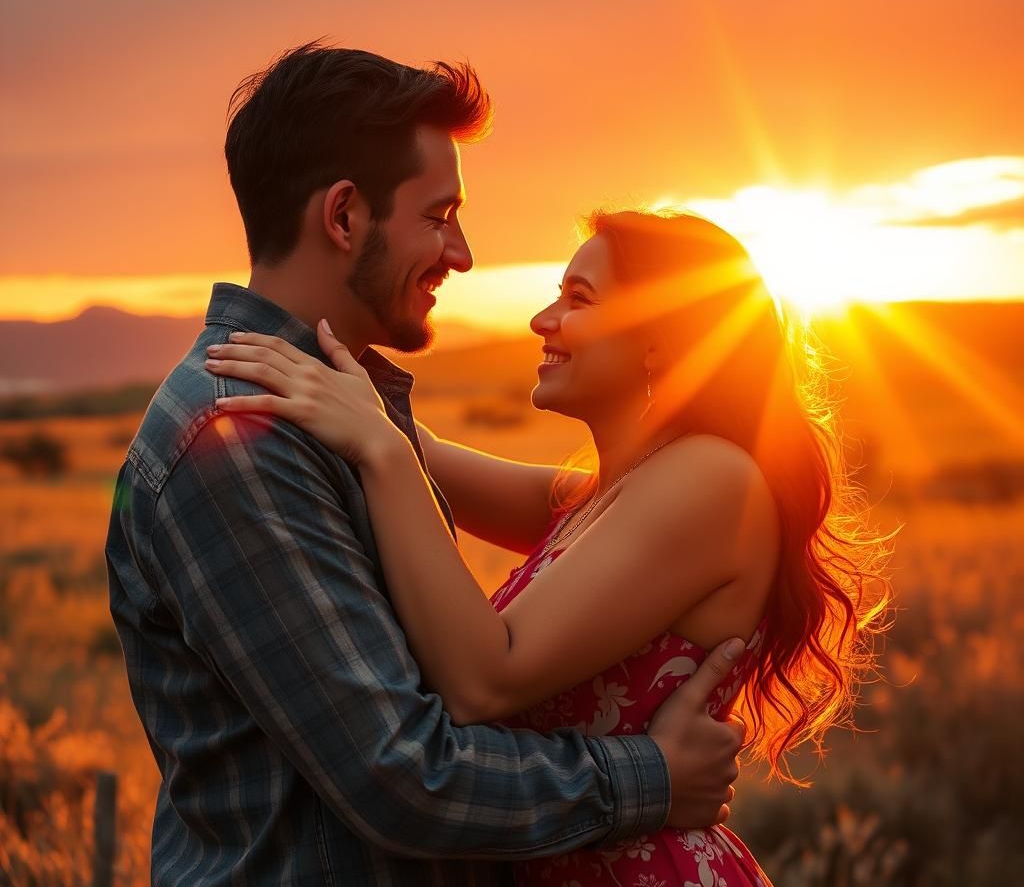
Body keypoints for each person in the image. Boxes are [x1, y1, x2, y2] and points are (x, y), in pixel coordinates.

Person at [104, 43, 747, 887]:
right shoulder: (244, 436)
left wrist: (384, 439)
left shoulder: (342, 411)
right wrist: (649, 778)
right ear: (344, 218)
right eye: (439, 216)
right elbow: (405, 776)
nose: (464, 254)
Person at [208, 208, 892, 885]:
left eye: (578, 299)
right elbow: (425, 454)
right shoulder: (601, 497)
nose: (542, 320)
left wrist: (379, 449)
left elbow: (485, 680)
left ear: (661, 339)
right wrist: (315, 336)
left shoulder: (712, 480)